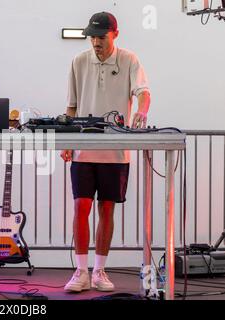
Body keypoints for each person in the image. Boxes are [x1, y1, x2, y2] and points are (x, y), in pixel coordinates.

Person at [60, 12, 151, 293]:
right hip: (84, 148)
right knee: (80, 206)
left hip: (115, 150)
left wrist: (142, 111)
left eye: (101, 36)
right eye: (93, 37)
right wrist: (67, 141)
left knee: (107, 208)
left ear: (115, 34)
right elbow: (72, 106)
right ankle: (81, 270)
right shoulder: (78, 61)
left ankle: (99, 270)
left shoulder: (129, 59)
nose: (96, 42)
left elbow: (143, 91)